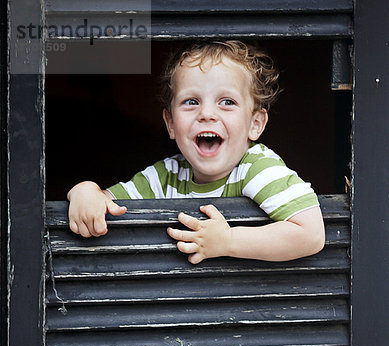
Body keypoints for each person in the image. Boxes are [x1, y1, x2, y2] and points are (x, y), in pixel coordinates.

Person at [67, 40, 325, 264]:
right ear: (170, 123)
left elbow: (311, 233)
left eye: (227, 102)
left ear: (255, 123)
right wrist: (85, 192)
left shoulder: (257, 167)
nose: (207, 114)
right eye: (191, 102)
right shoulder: (166, 175)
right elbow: (108, 201)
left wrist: (229, 241)